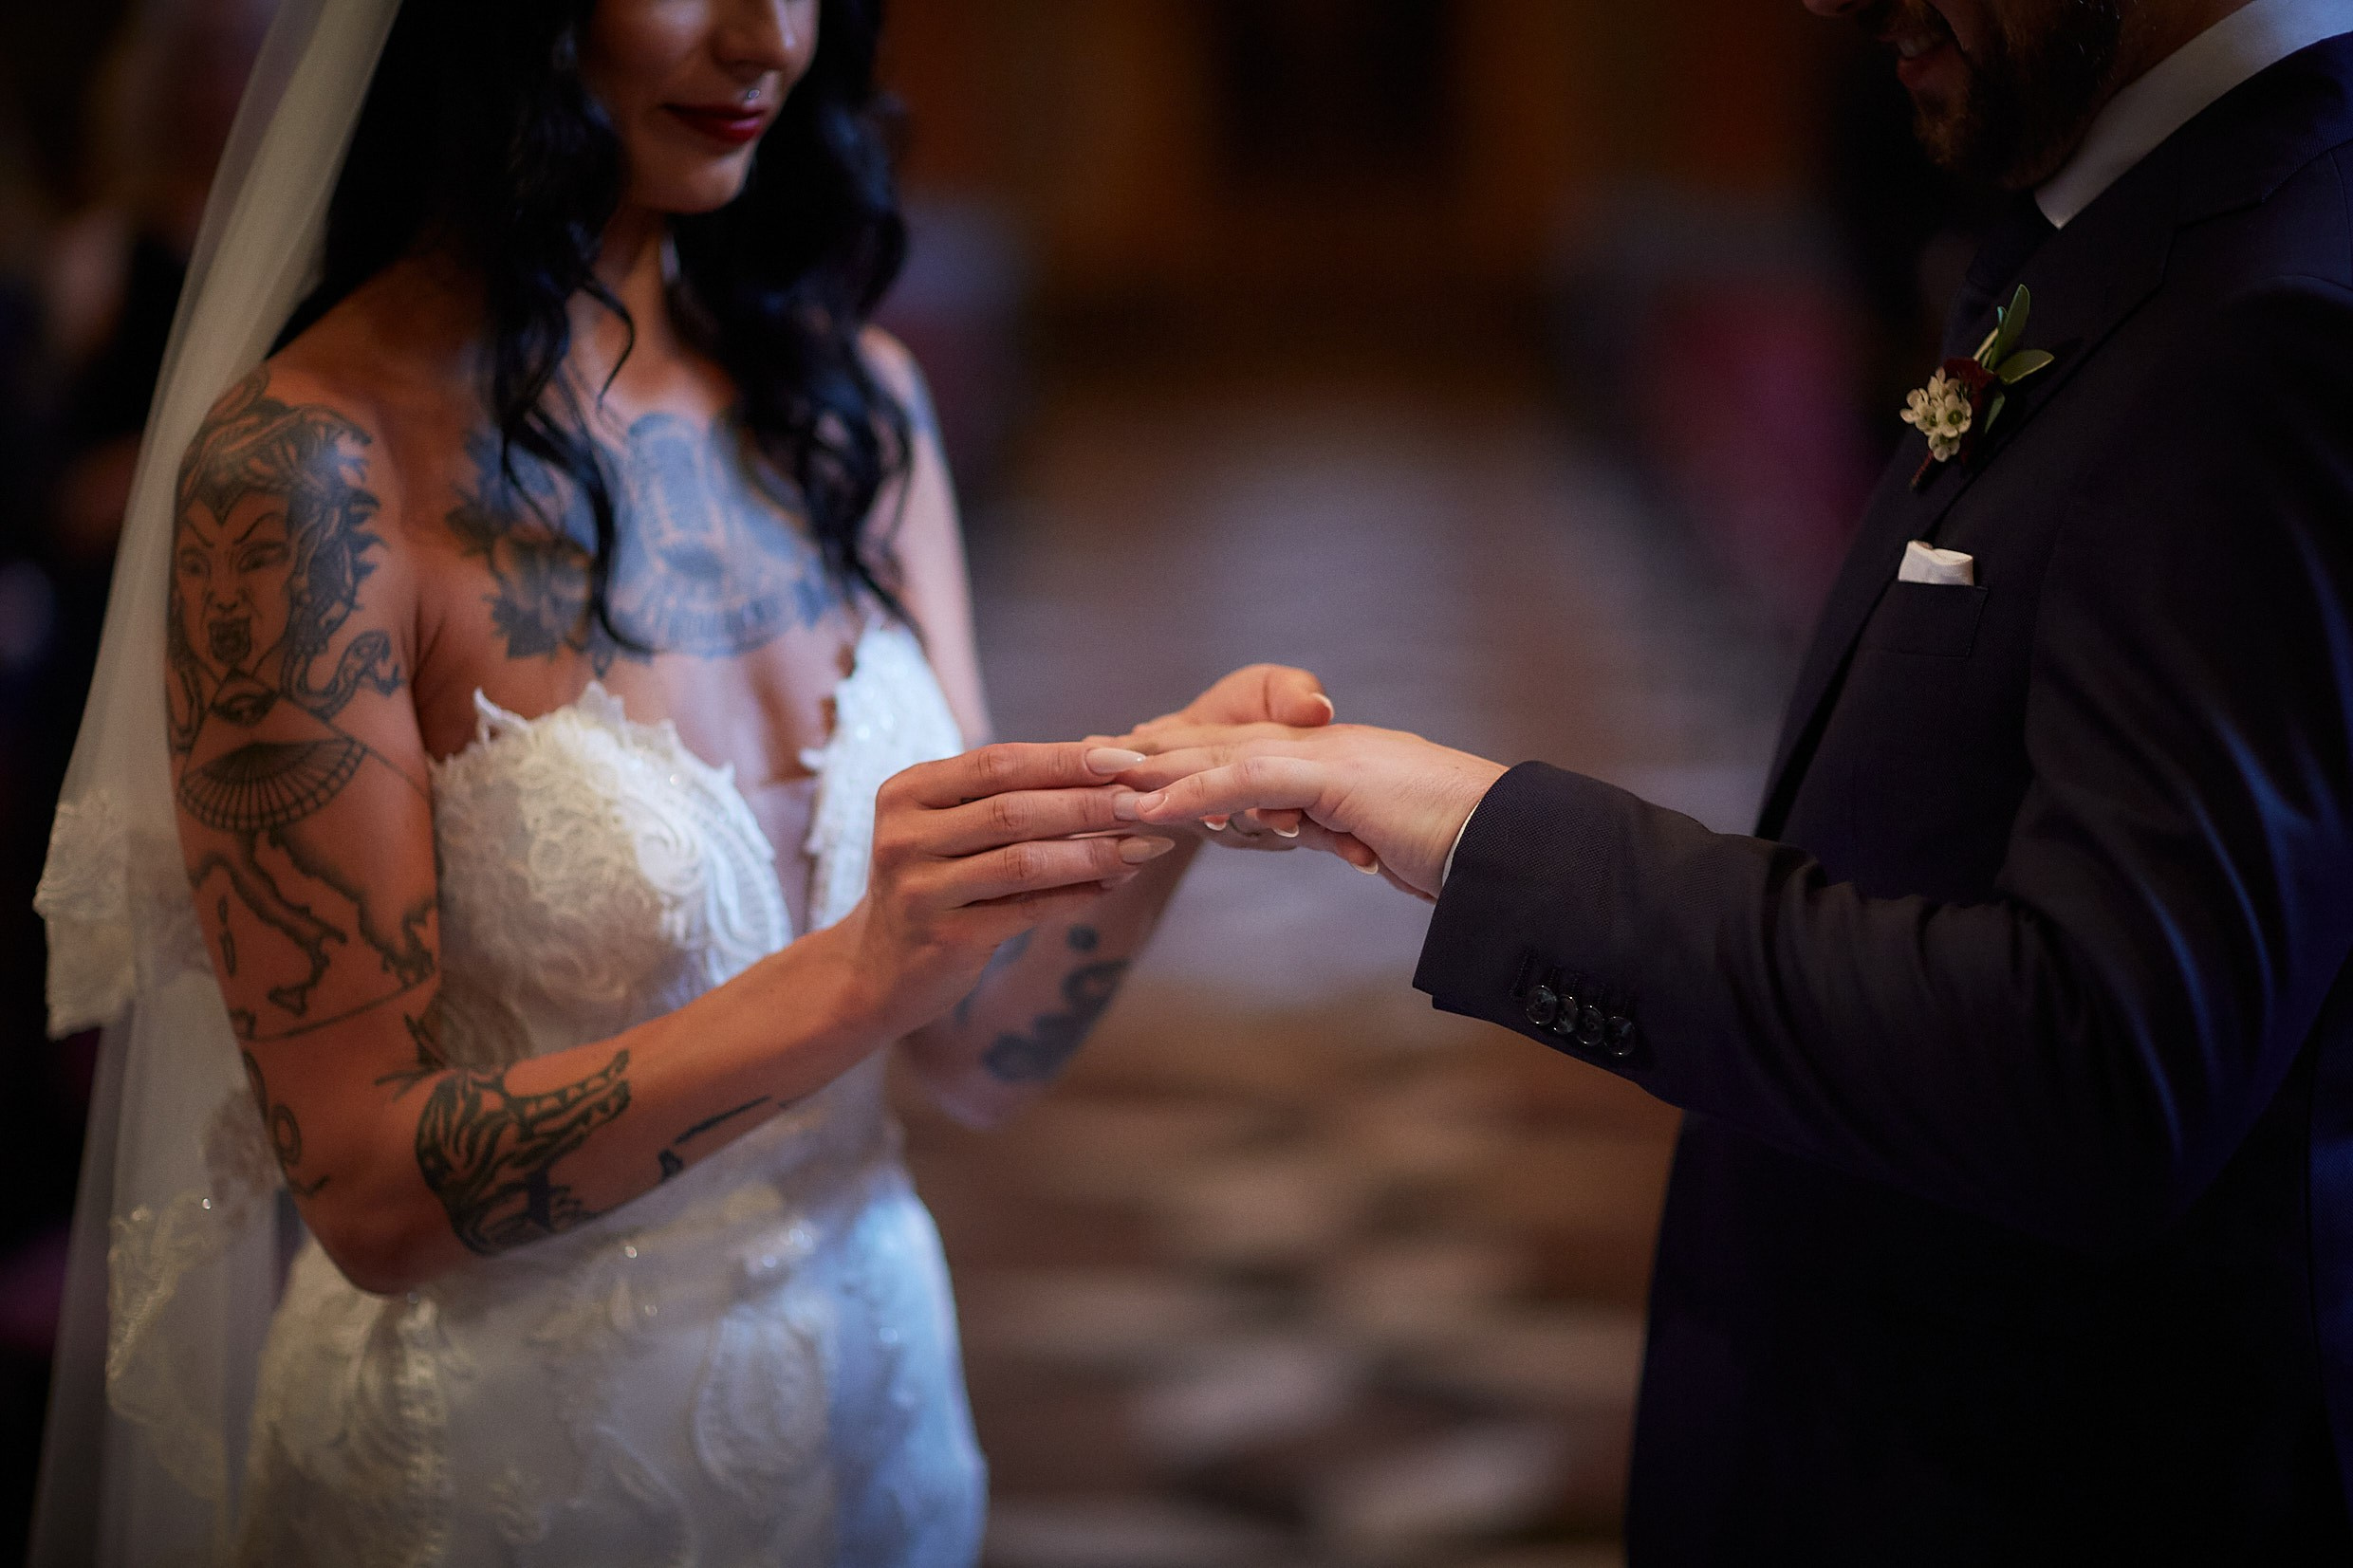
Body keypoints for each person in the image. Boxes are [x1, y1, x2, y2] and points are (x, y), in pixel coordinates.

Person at [30, 0, 1338, 1561]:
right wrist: (852, 977)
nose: (764, 40)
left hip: (884, 1415)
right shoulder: (312, 476)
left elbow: (977, 1051)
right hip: (513, 1473)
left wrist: (1162, 807)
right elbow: (370, 1194)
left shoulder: (855, 411)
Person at [1119, 0, 2353, 1559]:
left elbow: (2101, 1057)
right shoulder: (2155, 222)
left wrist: (1482, 826)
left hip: (2044, 1473)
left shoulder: (2277, 310)